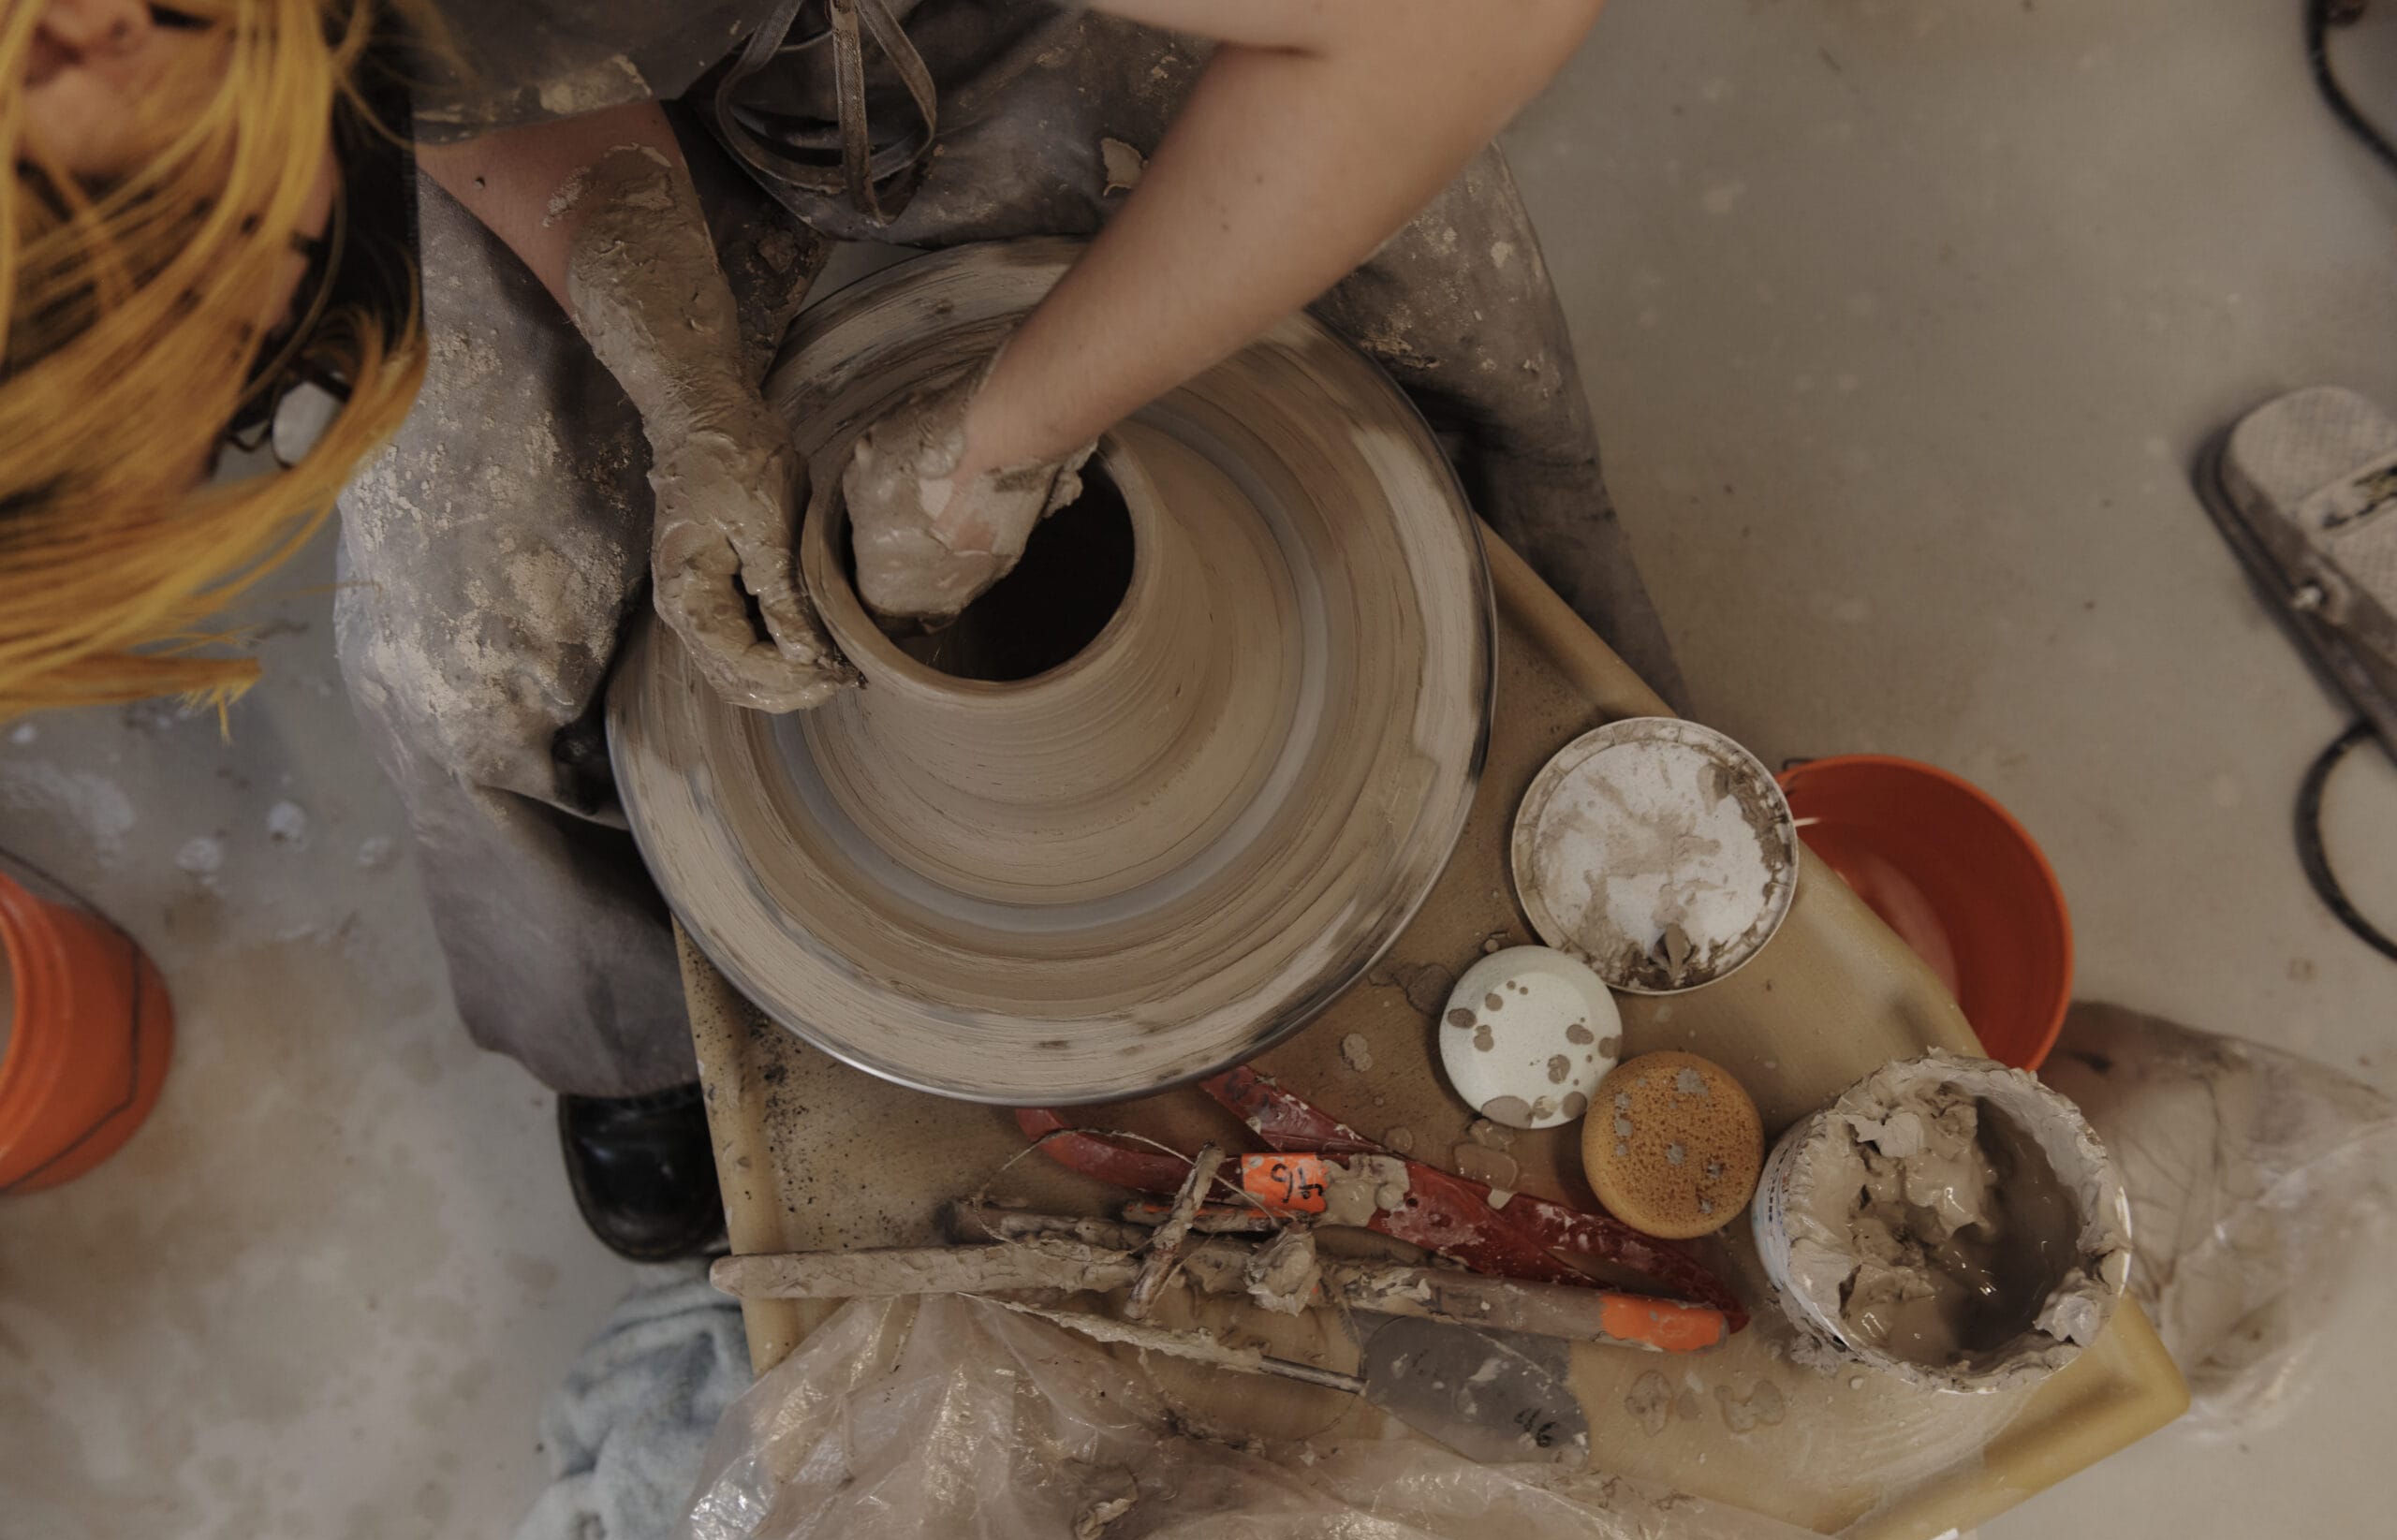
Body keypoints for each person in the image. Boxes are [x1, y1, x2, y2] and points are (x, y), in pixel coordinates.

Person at [5, 0, 1685, 1258]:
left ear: (82, 52)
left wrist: (1004, 437)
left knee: (1438, 328)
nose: (289, 385)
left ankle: (1621, 818)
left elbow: (1467, 18)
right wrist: (680, 378)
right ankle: (626, 1041)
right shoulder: (172, 49)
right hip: (626, 56)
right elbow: (455, 51)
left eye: (260, 324)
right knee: (455, 648)